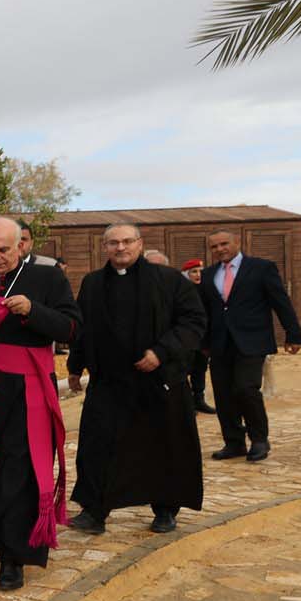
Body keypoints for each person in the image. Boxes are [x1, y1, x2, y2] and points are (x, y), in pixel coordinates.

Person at [0, 217, 81, 591]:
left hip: (27, 391)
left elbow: (72, 328)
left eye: (3, 250)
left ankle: (13, 556)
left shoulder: (48, 279)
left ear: (21, 245)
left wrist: (32, 310)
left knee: (19, 470)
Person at [66, 225, 206, 535]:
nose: (120, 248)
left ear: (140, 244)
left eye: (127, 241)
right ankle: (94, 511)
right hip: (109, 383)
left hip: (157, 382)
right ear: (104, 247)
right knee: (98, 446)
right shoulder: (92, 283)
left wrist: (161, 352)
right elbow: (83, 327)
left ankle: (165, 510)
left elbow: (194, 322)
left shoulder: (168, 281)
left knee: (162, 446)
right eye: (113, 243)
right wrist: (75, 366)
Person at [199, 230, 301, 463]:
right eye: (214, 246)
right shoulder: (207, 275)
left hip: (252, 341)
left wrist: (293, 333)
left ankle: (259, 439)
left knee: (246, 389)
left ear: (236, 243)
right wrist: (204, 343)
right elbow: (205, 311)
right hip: (219, 344)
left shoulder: (261, 268)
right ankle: (234, 443)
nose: (219, 249)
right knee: (223, 394)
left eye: (224, 244)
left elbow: (281, 301)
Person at [179, 260, 216, 413]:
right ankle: (186, 404)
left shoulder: (208, 290)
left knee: (200, 370)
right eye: (194, 271)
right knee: (183, 371)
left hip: (203, 339)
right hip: (185, 338)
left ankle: (198, 400)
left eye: (201, 271)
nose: (198, 274)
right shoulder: (180, 290)